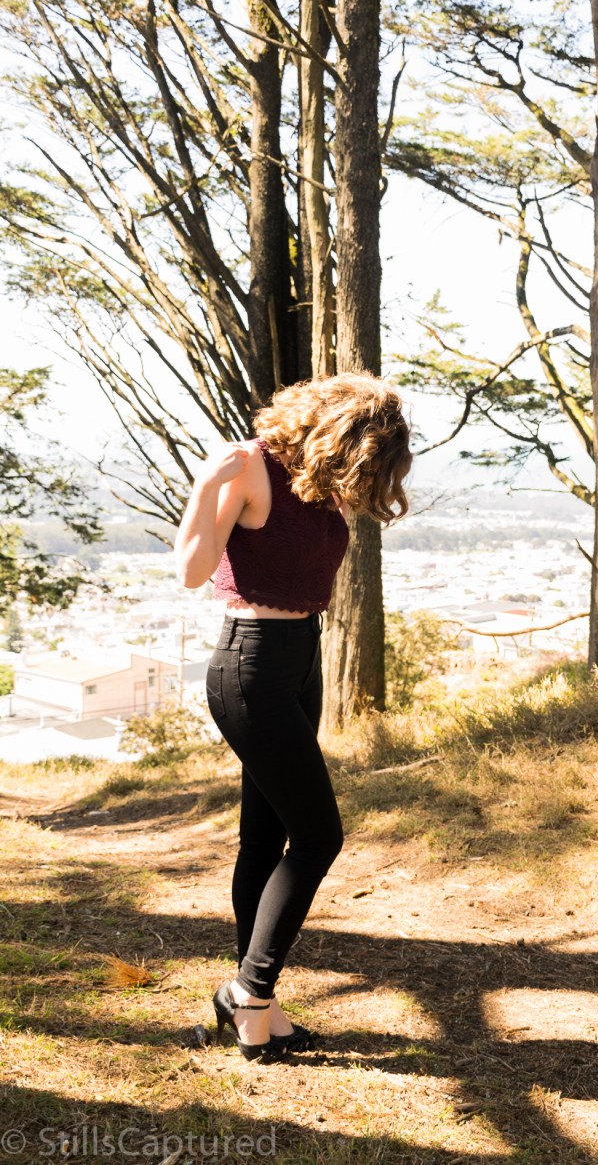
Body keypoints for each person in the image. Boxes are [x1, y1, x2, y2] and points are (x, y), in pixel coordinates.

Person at [174, 371, 412, 1061]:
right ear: (344, 430)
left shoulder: (316, 477)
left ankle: (259, 1006)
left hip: (301, 659)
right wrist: (204, 480)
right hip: (250, 667)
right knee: (318, 837)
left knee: (264, 838)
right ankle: (247, 995)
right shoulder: (248, 466)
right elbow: (192, 571)